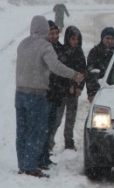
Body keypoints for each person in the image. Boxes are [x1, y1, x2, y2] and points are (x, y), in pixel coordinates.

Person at [15, 15, 84, 178]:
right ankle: (31, 166)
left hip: (20, 93)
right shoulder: (45, 46)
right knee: (37, 130)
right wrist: (74, 74)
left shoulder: (22, 43)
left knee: (22, 130)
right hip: (37, 94)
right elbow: (55, 66)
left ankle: (23, 164)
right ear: (44, 29)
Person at [53, 25, 87, 150]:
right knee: (57, 118)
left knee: (71, 119)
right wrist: (68, 86)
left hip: (74, 92)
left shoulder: (79, 52)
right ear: (68, 38)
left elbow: (83, 71)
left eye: (77, 39)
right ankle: (50, 142)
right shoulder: (61, 52)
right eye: (72, 39)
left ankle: (69, 141)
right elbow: (60, 72)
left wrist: (79, 87)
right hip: (61, 92)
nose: (75, 42)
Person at [39, 20, 66, 169]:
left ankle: (45, 155)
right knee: (43, 128)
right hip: (44, 94)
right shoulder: (43, 48)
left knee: (51, 126)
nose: (55, 36)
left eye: (56, 33)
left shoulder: (61, 49)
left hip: (57, 95)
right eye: (51, 33)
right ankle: (41, 156)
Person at [86, 26, 114, 102]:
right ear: (102, 38)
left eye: (112, 39)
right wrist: (91, 92)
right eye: (107, 38)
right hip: (98, 89)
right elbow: (90, 73)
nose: (109, 41)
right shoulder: (94, 52)